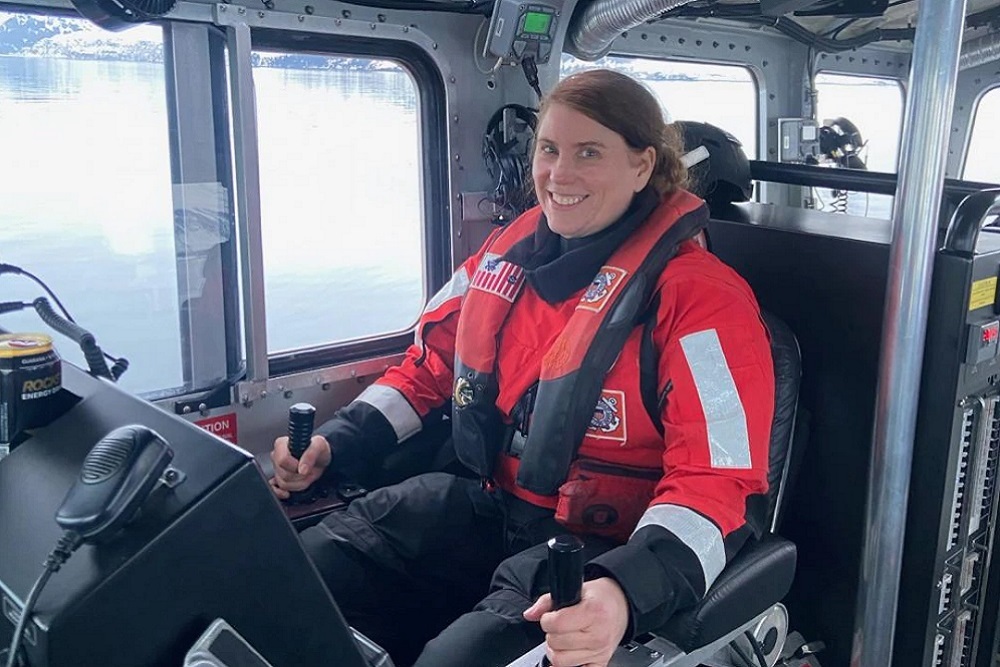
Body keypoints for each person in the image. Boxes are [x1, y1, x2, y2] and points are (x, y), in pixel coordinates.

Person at [269, 68, 775, 667]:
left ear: (642, 166)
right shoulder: (503, 256)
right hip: (495, 507)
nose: (559, 175)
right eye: (549, 149)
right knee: (303, 569)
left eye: (589, 153)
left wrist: (624, 591)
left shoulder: (702, 300)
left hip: (601, 548)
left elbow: (718, 482)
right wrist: (334, 443)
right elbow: (429, 368)